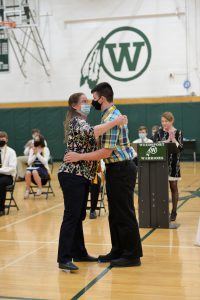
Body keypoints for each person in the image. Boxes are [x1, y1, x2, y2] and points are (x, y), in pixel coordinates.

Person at [65, 83, 143, 268]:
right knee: (115, 213)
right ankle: (118, 250)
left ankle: (132, 255)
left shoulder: (113, 116)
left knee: (124, 212)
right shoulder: (109, 116)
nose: (91, 102)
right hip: (115, 169)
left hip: (122, 168)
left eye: (93, 98)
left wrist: (79, 156)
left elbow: (106, 152)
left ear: (102, 98)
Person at [58, 92, 128, 272]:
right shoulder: (77, 121)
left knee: (78, 216)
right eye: (83, 101)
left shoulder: (82, 121)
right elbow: (94, 131)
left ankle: (79, 252)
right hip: (72, 174)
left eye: (88, 101)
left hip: (82, 175)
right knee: (71, 216)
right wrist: (115, 121)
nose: (88, 103)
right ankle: (64, 258)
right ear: (74, 106)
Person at [153, 112, 183, 221]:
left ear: (171, 121)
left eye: (166, 121)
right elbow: (154, 147)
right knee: (160, 188)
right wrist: (166, 141)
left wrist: (173, 140)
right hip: (160, 164)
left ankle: (174, 212)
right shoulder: (158, 133)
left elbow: (180, 148)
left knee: (173, 187)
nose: (164, 123)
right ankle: (161, 211)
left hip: (174, 164)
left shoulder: (178, 132)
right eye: (162, 121)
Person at [24, 134, 50, 199]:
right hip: (33, 169)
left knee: (35, 171)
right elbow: (29, 162)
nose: (36, 141)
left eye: (37, 139)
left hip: (43, 170)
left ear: (41, 140)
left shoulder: (45, 149)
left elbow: (45, 162)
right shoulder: (32, 150)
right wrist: (34, 154)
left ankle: (40, 188)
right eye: (35, 140)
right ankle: (27, 190)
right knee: (27, 172)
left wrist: (37, 153)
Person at [0, 131, 17, 216]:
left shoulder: (11, 152)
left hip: (7, 177)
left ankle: (1, 209)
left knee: (1, 182)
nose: (1, 140)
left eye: (3, 138)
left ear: (6, 140)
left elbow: (12, 168)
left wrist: (0, 170)